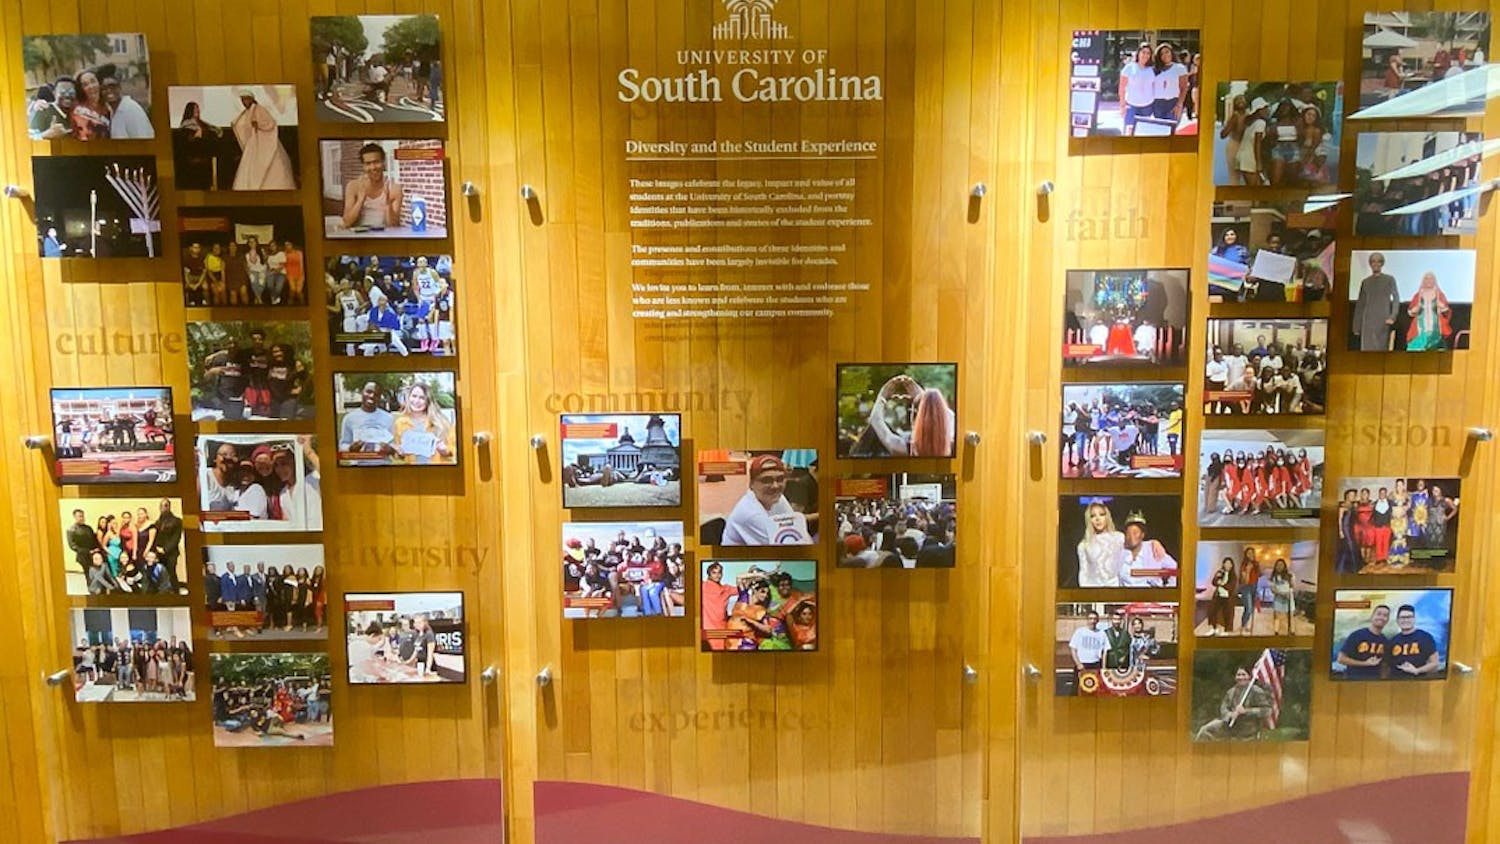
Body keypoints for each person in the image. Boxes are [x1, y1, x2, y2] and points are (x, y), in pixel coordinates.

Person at [721, 454, 813, 546]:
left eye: (780, 479)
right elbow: (781, 552)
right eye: (766, 480)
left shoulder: (777, 497)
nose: (775, 486)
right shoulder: (750, 514)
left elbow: (797, 529)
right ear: (751, 484)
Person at [865, 373, 955, 457]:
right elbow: (950, 417)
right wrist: (925, 399)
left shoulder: (907, 449)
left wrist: (882, 397)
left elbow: (875, 420)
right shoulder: (952, 444)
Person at [230, 88, 296, 190]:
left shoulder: (260, 109)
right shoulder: (246, 112)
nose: (244, 102)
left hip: (264, 143)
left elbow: (270, 123)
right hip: (253, 145)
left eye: (246, 99)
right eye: (242, 100)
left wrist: (258, 125)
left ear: (251, 99)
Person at [1194, 666, 1274, 740]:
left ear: (1249, 677)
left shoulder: (1256, 691)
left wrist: (1246, 711)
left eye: (1243, 675)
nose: (1241, 677)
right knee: (1205, 730)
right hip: (1229, 725)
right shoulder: (1231, 692)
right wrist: (1230, 715)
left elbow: (1266, 710)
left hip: (1248, 728)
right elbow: (1223, 708)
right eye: (1238, 675)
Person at [342, 143, 404, 230]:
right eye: (368, 163)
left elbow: (394, 227)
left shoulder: (394, 189)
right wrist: (360, 200)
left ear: (383, 162)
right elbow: (347, 222)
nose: (373, 167)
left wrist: (388, 204)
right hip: (358, 239)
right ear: (363, 166)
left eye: (376, 162)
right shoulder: (353, 186)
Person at [392, 382, 456, 464]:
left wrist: (445, 450)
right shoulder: (400, 423)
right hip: (412, 473)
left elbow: (453, 450)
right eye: (414, 396)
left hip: (437, 472)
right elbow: (399, 456)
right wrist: (399, 453)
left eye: (422, 398)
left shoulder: (442, 422)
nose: (416, 401)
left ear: (428, 401)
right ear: (408, 397)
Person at [1352, 252, 1400, 351]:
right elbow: (1360, 304)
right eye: (1373, 261)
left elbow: (1396, 298)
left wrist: (1393, 316)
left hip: (1383, 320)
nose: (1376, 264)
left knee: (1381, 351)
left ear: (1382, 264)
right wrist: (1356, 325)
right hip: (1367, 322)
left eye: (1378, 261)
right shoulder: (1366, 282)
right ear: (1370, 264)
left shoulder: (1389, 279)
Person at [1115, 512, 1178, 587]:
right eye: (1128, 533)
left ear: (1142, 535)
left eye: (1135, 533)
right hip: (1126, 597)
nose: (1131, 537)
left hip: (1151, 596)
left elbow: (1174, 570)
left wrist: (1168, 592)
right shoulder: (1120, 551)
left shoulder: (1152, 549)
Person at [1336, 605, 1390, 680]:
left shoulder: (1385, 641)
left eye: (1385, 615)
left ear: (1387, 620)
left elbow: (1384, 666)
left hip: (1374, 685)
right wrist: (1365, 663)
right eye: (1378, 614)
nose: (1381, 617)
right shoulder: (1357, 635)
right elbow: (1341, 659)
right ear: (1372, 616)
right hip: (1354, 682)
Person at [1388, 604, 1442, 678]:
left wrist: (1417, 670)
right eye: (1403, 617)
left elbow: (1435, 663)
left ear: (1414, 619)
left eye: (1409, 617)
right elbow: (1386, 666)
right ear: (1398, 620)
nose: (1406, 620)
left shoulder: (1425, 637)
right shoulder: (1392, 641)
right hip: (1395, 684)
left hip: (1419, 683)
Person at [1405, 272, 1453, 351]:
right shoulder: (1418, 296)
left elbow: (1447, 312)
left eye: (1431, 279)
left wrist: (1442, 307)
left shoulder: (1439, 295)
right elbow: (1410, 312)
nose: (1429, 281)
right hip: (1420, 330)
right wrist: (1414, 310)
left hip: (1435, 330)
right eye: (1426, 279)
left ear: (1434, 281)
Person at [100, 72, 152, 139]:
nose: (109, 90)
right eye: (104, 88)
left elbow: (142, 139)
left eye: (112, 87)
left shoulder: (131, 109)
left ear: (119, 88)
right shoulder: (113, 111)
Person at [1118, 44, 1156, 136]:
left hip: (1147, 106)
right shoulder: (1129, 67)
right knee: (1129, 132)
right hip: (1131, 105)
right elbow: (1122, 88)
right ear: (1138, 53)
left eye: (1148, 53)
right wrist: (1122, 106)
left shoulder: (1153, 69)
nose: (1145, 55)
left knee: (1142, 133)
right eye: (1143, 52)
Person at [1151, 43, 1188, 128]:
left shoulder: (1179, 68)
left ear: (1171, 53)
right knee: (1159, 131)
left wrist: (1179, 104)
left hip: (1173, 103)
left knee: (1171, 131)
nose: (1165, 55)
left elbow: (1184, 88)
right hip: (1158, 103)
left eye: (1167, 52)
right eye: (1161, 54)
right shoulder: (1155, 69)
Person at [1067, 611, 1108, 687]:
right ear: (1087, 620)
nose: (1093, 621)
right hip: (1082, 665)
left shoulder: (1102, 633)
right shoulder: (1079, 632)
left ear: (1098, 620)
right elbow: (1073, 649)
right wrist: (1078, 664)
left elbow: (1105, 651)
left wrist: (1104, 667)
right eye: (1090, 619)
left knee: (1095, 688)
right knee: (1077, 689)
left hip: (1095, 665)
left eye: (1095, 619)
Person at [1237, 97, 1269, 186]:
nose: (1267, 110)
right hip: (1250, 158)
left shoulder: (1251, 123)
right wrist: (1258, 163)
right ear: (1259, 110)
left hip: (1243, 157)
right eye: (1264, 108)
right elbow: (1257, 143)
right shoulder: (1260, 123)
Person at [1236, 548, 1260, 634]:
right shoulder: (1244, 565)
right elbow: (1245, 581)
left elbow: (1258, 577)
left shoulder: (1256, 564)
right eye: (1249, 553)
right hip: (1246, 587)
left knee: (1251, 609)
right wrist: (1248, 571)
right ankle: (1243, 626)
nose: (1251, 555)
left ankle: (1245, 625)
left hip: (1254, 587)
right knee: (1248, 608)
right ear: (1246, 555)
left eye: (1252, 553)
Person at [1268, 558, 1294, 635]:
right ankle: (1276, 632)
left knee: (1290, 616)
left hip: (1288, 599)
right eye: (1278, 565)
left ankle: (1291, 631)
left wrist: (1292, 580)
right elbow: (1273, 590)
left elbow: (1292, 587)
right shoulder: (1273, 578)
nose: (1279, 567)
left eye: (1281, 565)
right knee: (1277, 616)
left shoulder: (1289, 576)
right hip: (1278, 599)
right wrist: (1281, 594)